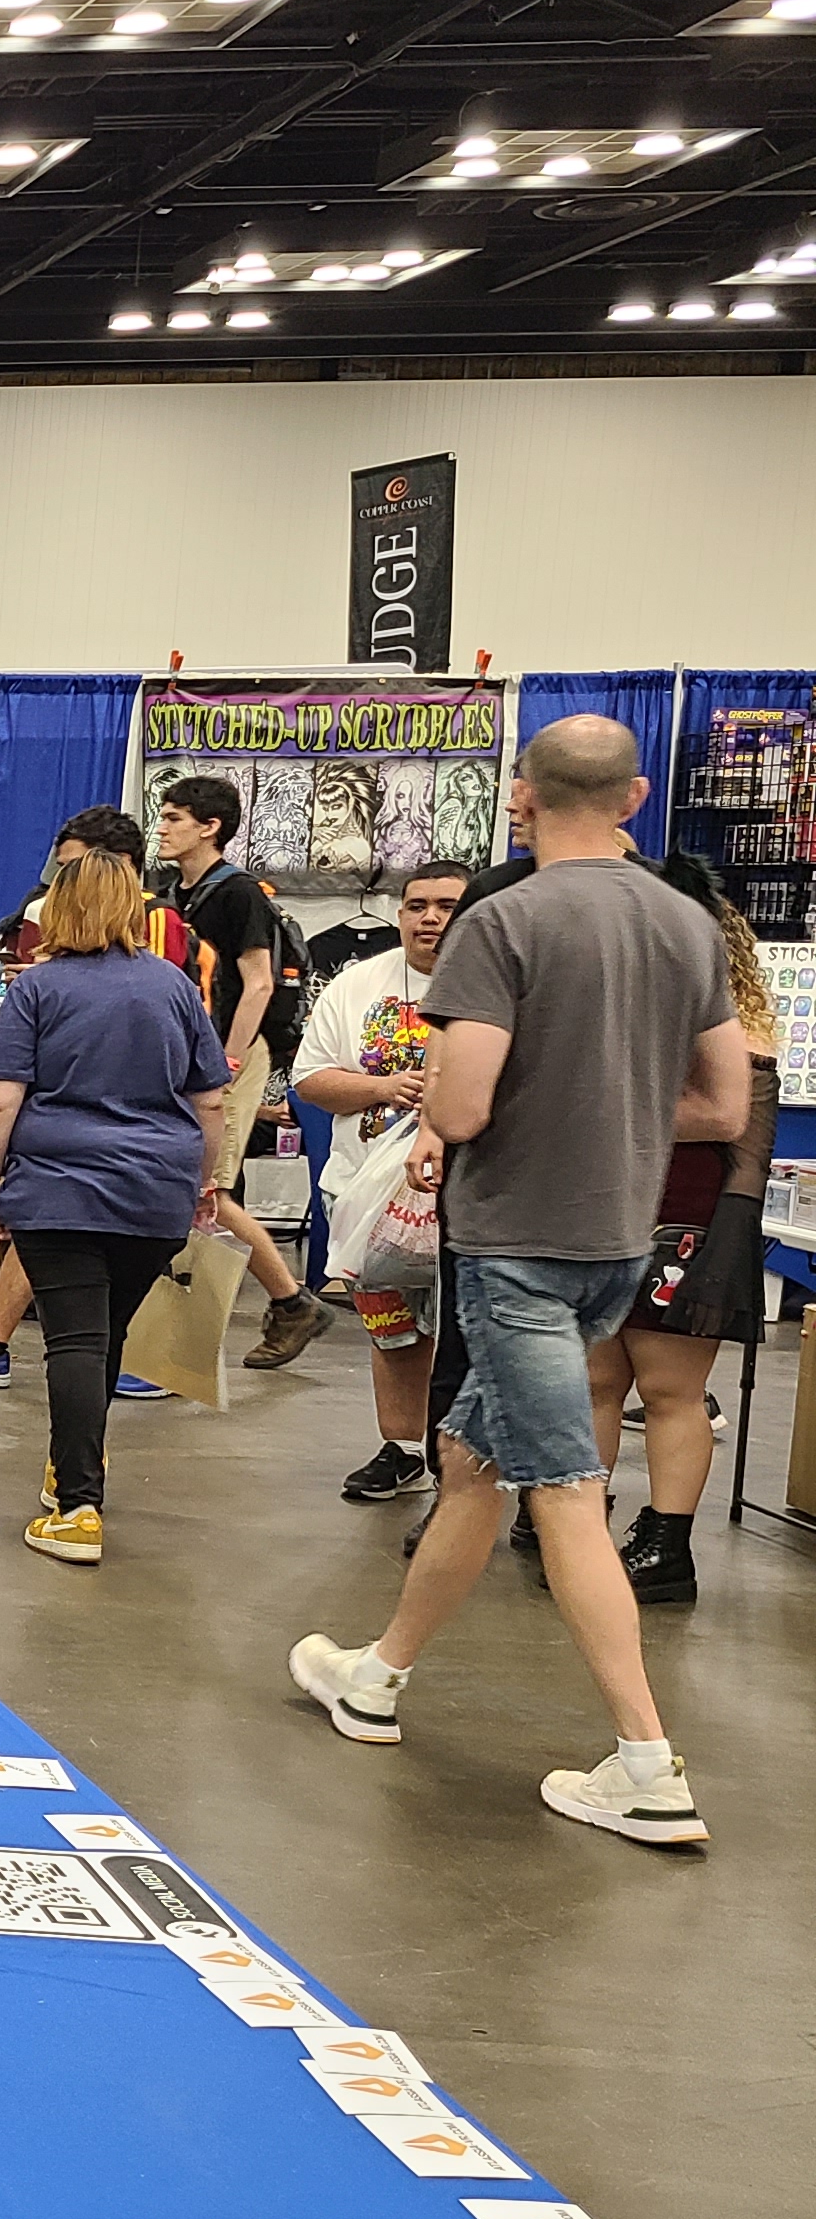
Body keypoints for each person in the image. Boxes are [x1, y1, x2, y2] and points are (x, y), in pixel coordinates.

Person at [288, 716, 745, 1849]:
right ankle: (378, 1676)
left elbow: (459, 1108)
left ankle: (646, 1762)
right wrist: (620, 1124)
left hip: (517, 1254)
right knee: (469, 1461)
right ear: (636, 795)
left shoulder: (504, 924)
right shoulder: (689, 925)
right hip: (616, 1246)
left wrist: (494, 1114)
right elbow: (724, 1106)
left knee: (566, 1494)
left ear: (520, 798)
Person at [0, 854, 230, 1567]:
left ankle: (79, 1506)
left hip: (60, 1187)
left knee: (74, 1340)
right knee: (105, 1335)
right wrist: (201, 1183)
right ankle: (70, 1465)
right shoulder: (175, 987)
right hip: (155, 1189)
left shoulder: (39, 989)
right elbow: (210, 1099)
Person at [0, 811, 199, 1390]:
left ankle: (118, 1371)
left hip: (107, 1148)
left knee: (82, 1320)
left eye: (70, 868)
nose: (57, 882)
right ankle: (6, 1347)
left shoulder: (158, 935)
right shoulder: (62, 971)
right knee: (87, 1310)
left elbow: (1, 1098)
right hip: (143, 1162)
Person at [582, 858, 780, 1607]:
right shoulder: (627, 1004)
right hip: (608, 1208)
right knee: (597, 1381)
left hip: (686, 1218)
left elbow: (743, 1139)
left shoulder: (735, 1024)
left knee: (670, 1390)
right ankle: (578, 1527)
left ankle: (667, 1543)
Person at [291, 864, 468, 1502]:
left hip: (470, 1196)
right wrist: (384, 1088)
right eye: (416, 904)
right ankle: (403, 1449)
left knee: (477, 1328)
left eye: (446, 905)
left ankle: (475, 1464)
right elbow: (310, 1079)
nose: (429, 917)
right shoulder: (357, 983)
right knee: (392, 1324)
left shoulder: (502, 984)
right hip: (365, 1192)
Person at [151, 778, 329, 1370]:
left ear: (210, 827)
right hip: (192, 1051)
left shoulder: (239, 893)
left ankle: (291, 1300)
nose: (164, 826)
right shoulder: (175, 892)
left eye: (176, 817)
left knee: (211, 1190)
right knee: (194, 1187)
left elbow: (259, 982)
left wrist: (225, 1060)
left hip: (229, 1053)